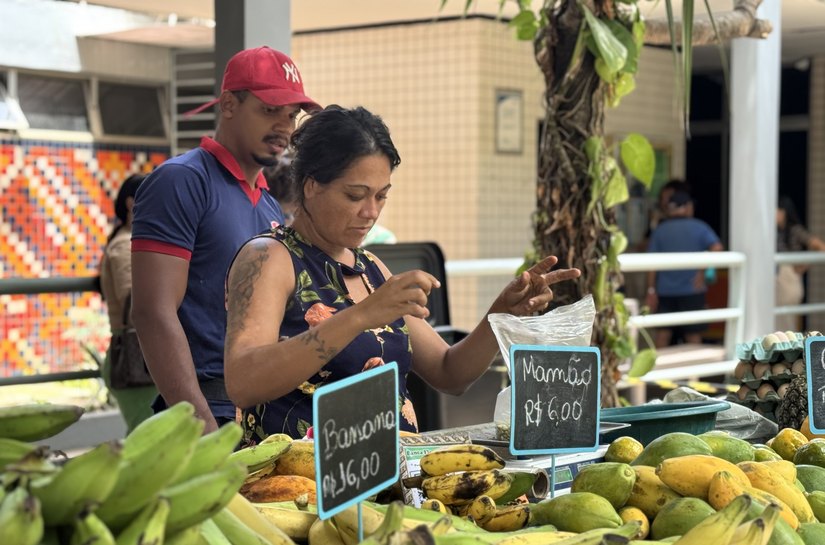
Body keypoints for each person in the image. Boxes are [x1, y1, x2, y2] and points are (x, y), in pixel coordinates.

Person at [223, 105, 581, 441]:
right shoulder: (270, 258)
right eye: (355, 195)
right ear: (311, 186)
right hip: (300, 482)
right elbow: (243, 381)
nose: (370, 211)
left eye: (381, 196)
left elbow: (449, 373)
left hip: (389, 478)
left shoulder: (370, 267)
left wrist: (500, 314)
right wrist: (359, 316)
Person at [130, 46, 320, 432]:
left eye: (291, 114)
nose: (284, 126)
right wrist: (200, 425)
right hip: (205, 411)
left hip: (264, 413)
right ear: (229, 104)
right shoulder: (182, 181)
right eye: (270, 110)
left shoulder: (268, 204)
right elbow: (153, 312)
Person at [99, 174, 157, 432]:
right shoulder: (125, 246)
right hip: (135, 358)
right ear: (131, 203)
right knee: (147, 436)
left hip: (141, 356)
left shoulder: (132, 242)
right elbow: (134, 299)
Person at [645, 190, 723, 348]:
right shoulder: (699, 227)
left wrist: (651, 290)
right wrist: (702, 271)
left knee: (662, 336)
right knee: (693, 337)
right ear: (688, 207)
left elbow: (651, 264)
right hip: (692, 290)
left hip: (665, 291)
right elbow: (717, 247)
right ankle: (695, 366)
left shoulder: (660, 230)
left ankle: (658, 365)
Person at [776, 195, 825, 331]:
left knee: (787, 320)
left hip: (789, 278)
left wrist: (804, 265)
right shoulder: (776, 232)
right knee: (778, 319)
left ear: (783, 211)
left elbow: (818, 245)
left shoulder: (795, 230)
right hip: (777, 278)